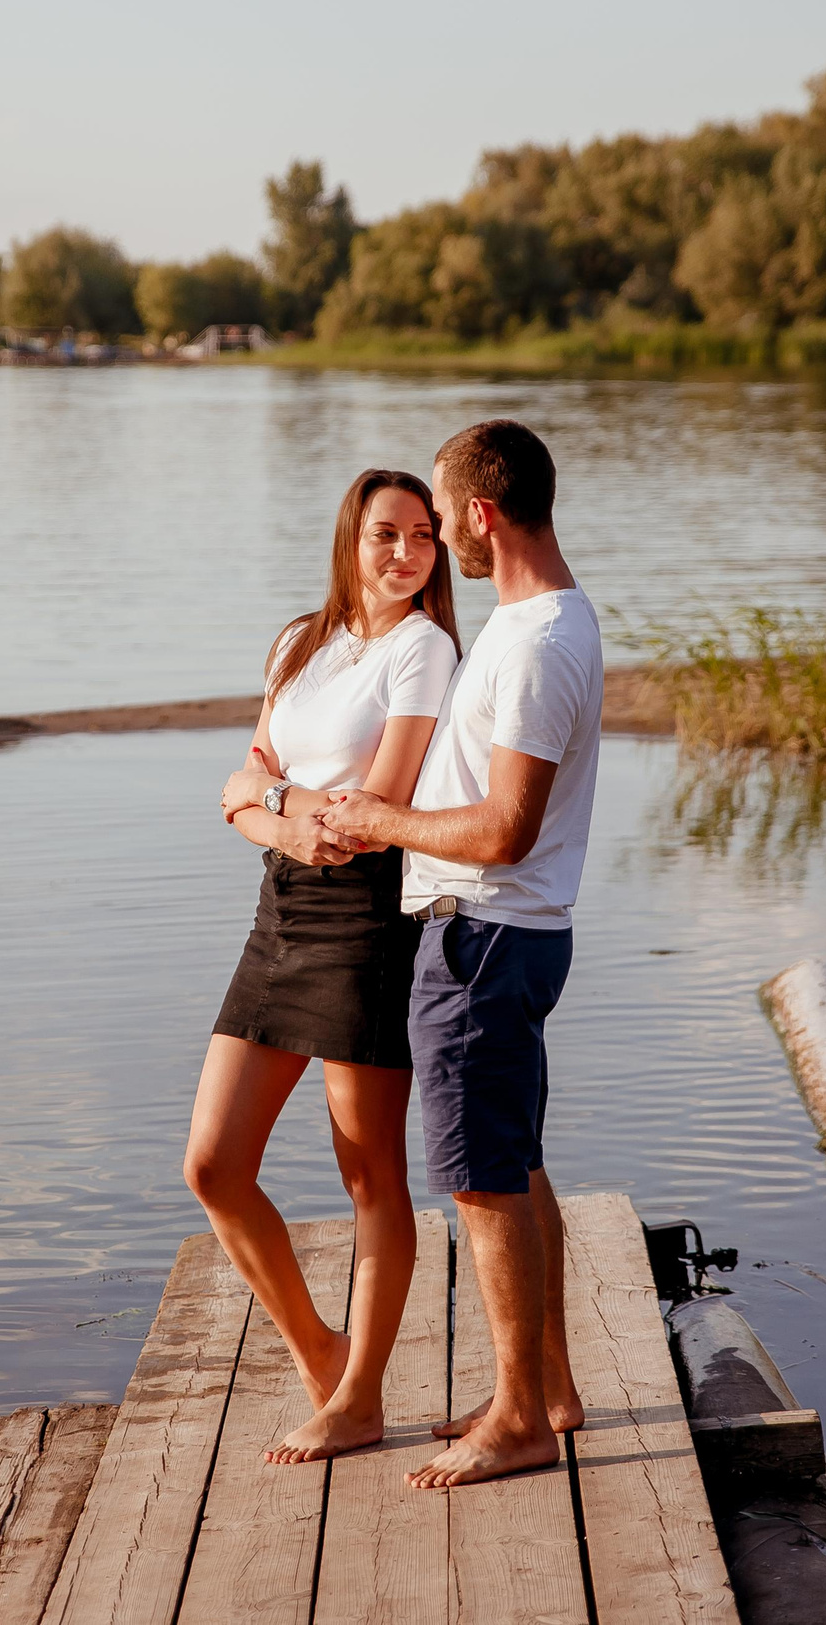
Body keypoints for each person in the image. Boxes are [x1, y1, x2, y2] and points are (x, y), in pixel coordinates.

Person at [320, 419, 602, 1489]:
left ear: (480, 516)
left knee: (482, 1186)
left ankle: (523, 1419)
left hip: (486, 936)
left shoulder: (533, 646)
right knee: (515, 1166)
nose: (437, 538)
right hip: (507, 937)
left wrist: (380, 820)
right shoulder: (541, 622)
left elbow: (501, 830)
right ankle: (546, 1390)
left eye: (440, 520)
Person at [189, 468, 461, 1464]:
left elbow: (375, 802)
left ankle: (360, 1399)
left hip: (365, 922)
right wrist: (271, 815)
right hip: (281, 912)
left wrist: (267, 806)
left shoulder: (424, 651)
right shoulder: (299, 641)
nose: (406, 554)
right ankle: (320, 1352)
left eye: (424, 536)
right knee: (213, 1166)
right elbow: (240, 777)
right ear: (350, 539)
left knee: (369, 1175)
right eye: (387, 533)